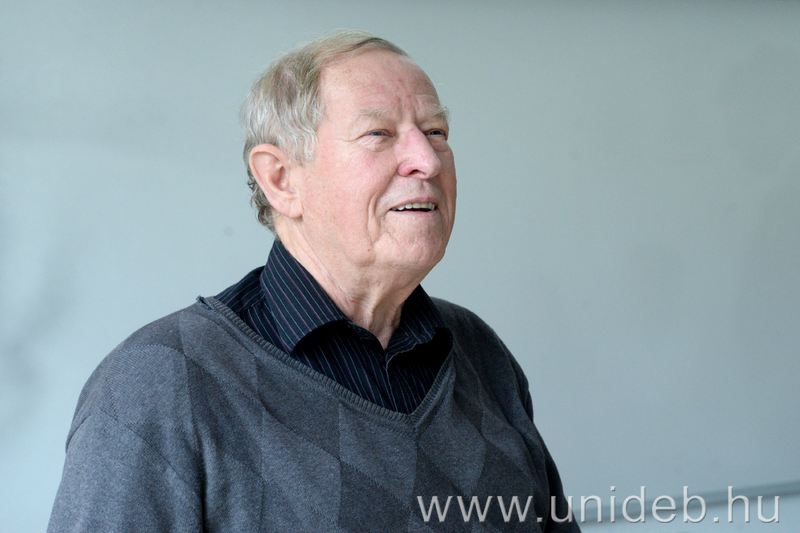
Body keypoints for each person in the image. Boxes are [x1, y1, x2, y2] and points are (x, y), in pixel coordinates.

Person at [48, 30, 579, 532]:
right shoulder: (159, 383)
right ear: (281, 180)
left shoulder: (479, 351)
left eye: (436, 133)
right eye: (379, 135)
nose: (426, 161)